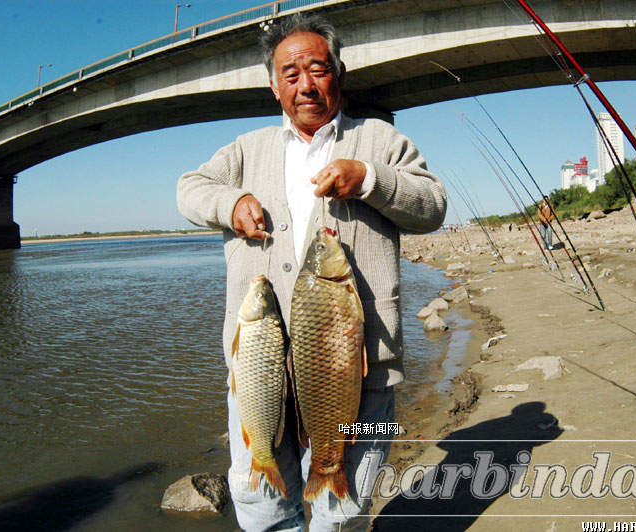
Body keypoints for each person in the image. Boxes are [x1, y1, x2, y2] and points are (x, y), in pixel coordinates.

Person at [176, 13, 446, 532]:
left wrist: (369, 178)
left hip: (355, 368)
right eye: (290, 74)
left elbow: (432, 204)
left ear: (339, 76)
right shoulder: (244, 150)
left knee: (340, 512)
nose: (305, 84)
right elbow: (190, 189)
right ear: (275, 86)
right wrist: (231, 202)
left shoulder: (382, 141)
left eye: (317, 69)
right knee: (262, 506)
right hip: (261, 370)